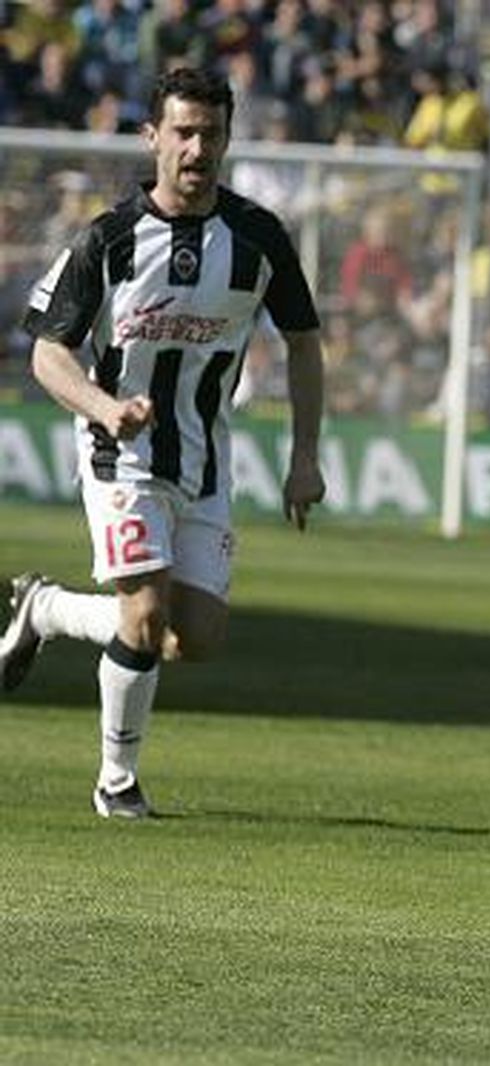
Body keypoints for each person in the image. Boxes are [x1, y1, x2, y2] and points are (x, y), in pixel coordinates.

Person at [0, 66, 326, 818]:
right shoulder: (109, 240)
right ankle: (117, 783)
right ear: (152, 138)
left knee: (196, 638)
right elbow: (49, 352)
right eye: (182, 132)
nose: (196, 148)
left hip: (205, 462)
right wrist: (103, 407)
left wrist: (304, 455)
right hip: (122, 455)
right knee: (143, 615)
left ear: (227, 139)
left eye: (210, 133)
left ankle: (45, 610)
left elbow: (305, 343)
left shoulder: (259, 238)